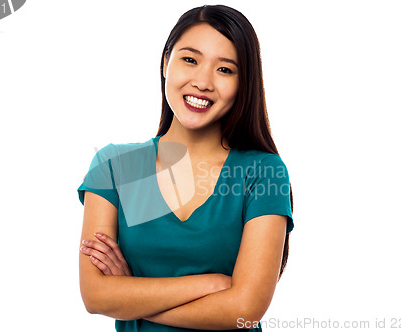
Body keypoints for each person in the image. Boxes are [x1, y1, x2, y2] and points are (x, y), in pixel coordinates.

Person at [77, 4, 294, 331]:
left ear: (243, 84)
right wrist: (210, 285)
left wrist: (130, 294)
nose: (203, 82)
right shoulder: (117, 167)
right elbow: (96, 296)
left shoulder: (262, 172)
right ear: (166, 63)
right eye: (190, 60)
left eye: (225, 70)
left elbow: (245, 310)